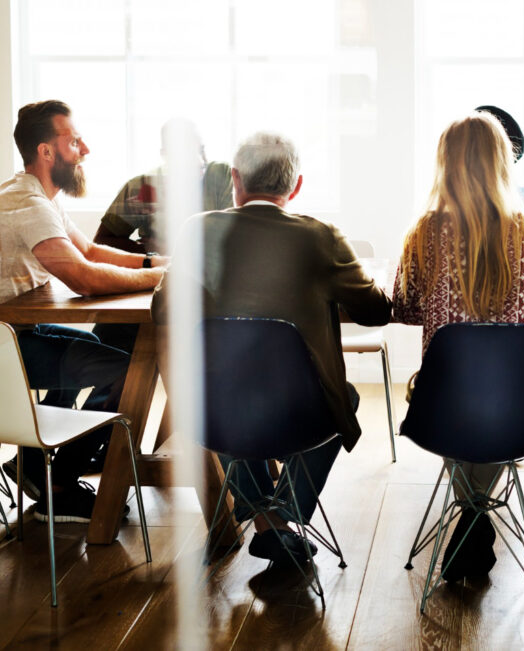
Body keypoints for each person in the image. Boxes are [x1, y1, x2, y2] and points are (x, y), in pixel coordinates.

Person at [151, 132, 391, 563]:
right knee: (345, 399)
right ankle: (279, 516)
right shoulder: (320, 237)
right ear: (295, 186)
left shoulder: (197, 230)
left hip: (216, 413)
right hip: (301, 415)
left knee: (226, 390)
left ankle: (266, 519)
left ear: (236, 181)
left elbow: (163, 309)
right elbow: (375, 312)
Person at [392, 112, 524, 581]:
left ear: (445, 165)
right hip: (523, 400)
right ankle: (476, 520)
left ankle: (470, 520)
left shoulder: (423, 233)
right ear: (503, 163)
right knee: (493, 409)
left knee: (457, 403)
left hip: (443, 399)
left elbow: (404, 308)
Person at [0, 100, 166, 522]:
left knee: (100, 349)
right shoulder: (28, 205)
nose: (85, 149)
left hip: (19, 335)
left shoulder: (37, 196)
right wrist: (166, 280)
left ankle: (35, 467)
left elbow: (89, 250)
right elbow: (84, 277)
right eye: (73, 141)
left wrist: (155, 264)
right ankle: (57, 480)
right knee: (127, 373)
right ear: (46, 152)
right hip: (8, 348)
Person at [94, 118, 232, 255]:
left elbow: (234, 237)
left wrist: (172, 249)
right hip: (160, 272)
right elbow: (101, 241)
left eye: (201, 150)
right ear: (166, 155)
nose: (199, 161)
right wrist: (149, 250)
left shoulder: (221, 175)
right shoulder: (142, 185)